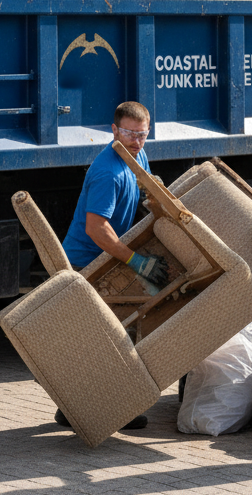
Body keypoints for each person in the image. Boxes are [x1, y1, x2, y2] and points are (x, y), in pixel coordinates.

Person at [54, 100, 169, 432]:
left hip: (104, 259)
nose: (136, 140)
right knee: (107, 337)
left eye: (142, 134)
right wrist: (136, 261)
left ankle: (71, 408)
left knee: (107, 334)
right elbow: (96, 228)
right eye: (129, 133)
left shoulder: (137, 157)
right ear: (114, 130)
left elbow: (144, 187)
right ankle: (103, 408)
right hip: (84, 264)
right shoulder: (108, 171)